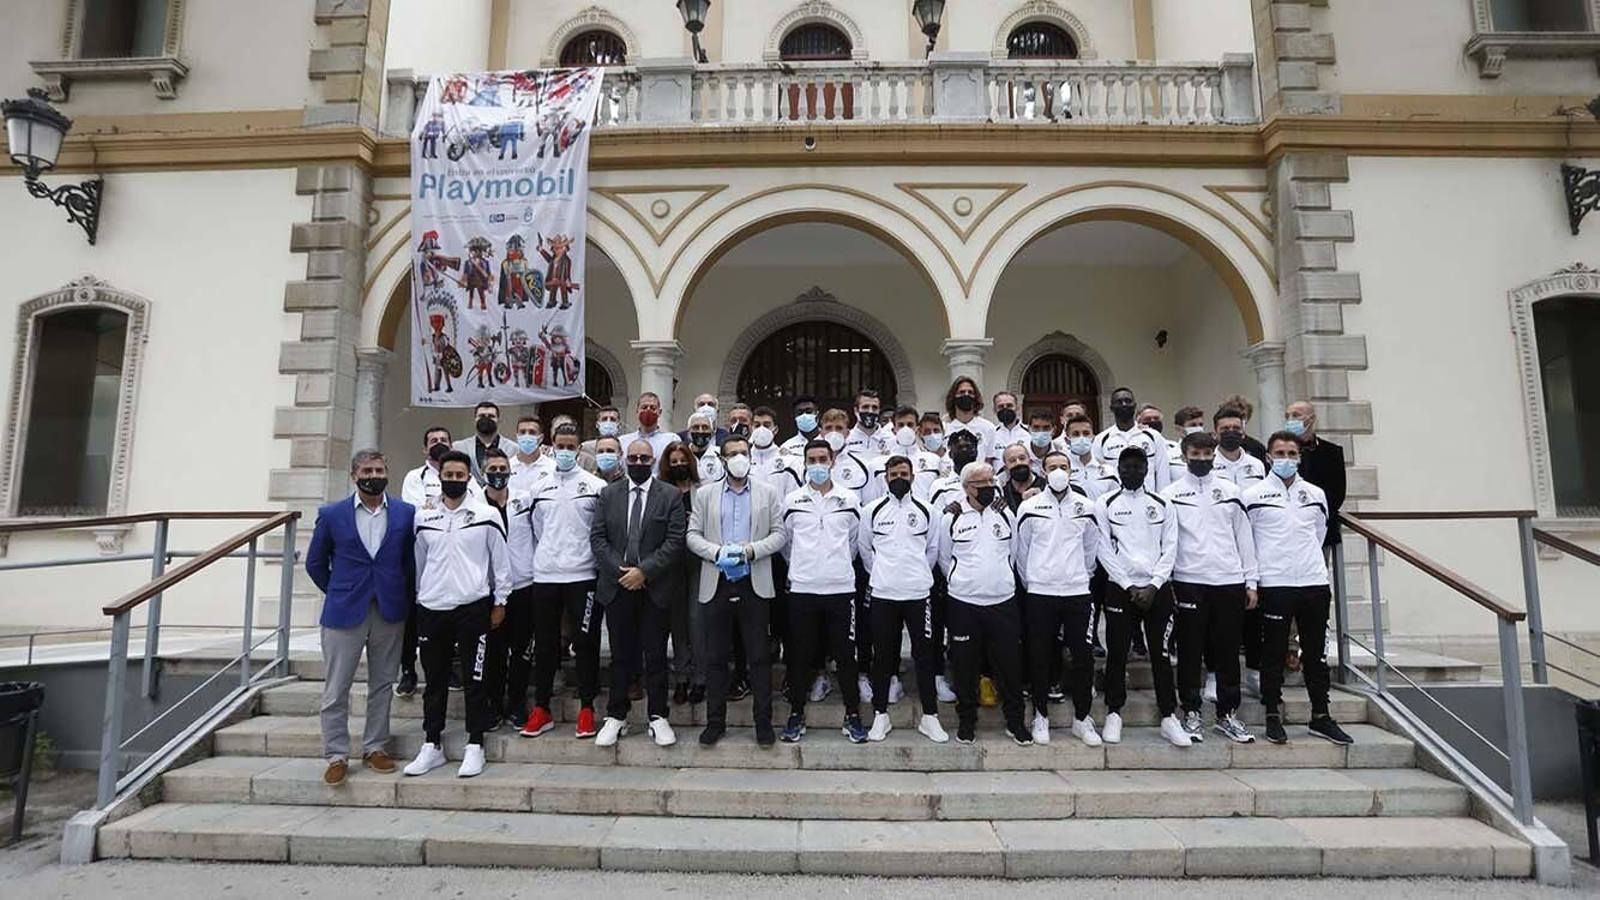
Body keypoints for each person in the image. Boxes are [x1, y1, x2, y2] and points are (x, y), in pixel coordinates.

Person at [305, 450, 415, 785]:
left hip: (389, 609)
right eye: (367, 471)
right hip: (344, 611)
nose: (374, 476)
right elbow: (315, 563)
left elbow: (409, 563)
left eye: (379, 470)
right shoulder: (332, 514)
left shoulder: (405, 513)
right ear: (354, 476)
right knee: (337, 687)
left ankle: (375, 747)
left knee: (383, 683)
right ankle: (336, 754)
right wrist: (339, 590)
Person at [403, 450, 509, 779]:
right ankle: (431, 744)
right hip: (432, 608)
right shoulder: (424, 518)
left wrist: (500, 601)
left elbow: (501, 563)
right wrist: (420, 598)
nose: (453, 480)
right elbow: (419, 563)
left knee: (475, 680)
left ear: (469, 478)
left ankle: (475, 744)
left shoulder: (487, 515)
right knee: (434, 681)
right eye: (448, 475)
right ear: (440, 478)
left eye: (459, 476)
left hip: (472, 606)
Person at [1245, 431, 1354, 747]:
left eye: (1292, 454)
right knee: (1273, 653)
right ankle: (1272, 714)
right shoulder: (1253, 495)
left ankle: (1321, 715)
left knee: (1316, 654)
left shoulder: (1315, 494)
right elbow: (1246, 542)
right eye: (1280, 454)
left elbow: (1318, 534)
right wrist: (1253, 582)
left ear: (1299, 457)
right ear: (1268, 457)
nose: (1286, 459)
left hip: (1313, 582)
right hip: (1274, 583)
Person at [688, 433, 789, 746]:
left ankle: (763, 723)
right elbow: (692, 535)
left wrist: (751, 550)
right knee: (716, 657)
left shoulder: (767, 493)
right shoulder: (705, 494)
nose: (738, 458)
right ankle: (715, 722)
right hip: (716, 581)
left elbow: (780, 534)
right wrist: (716, 552)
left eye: (743, 452)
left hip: (753, 582)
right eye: (732, 454)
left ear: (751, 455)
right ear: (722, 459)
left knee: (759, 656)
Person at [590, 437, 688, 747]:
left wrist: (644, 571)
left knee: (656, 656)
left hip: (655, 588)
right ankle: (616, 715)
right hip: (618, 586)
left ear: (653, 461)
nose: (638, 463)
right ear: (624, 459)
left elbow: (675, 540)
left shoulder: (670, 495)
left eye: (644, 459)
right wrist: (622, 572)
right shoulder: (608, 494)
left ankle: (658, 716)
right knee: (620, 656)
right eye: (632, 458)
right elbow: (598, 538)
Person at [1163, 431, 1258, 745]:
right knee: (1190, 650)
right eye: (1195, 454)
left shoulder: (1231, 491)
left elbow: (1244, 537)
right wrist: (1169, 582)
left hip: (1229, 580)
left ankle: (1227, 714)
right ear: (1184, 456)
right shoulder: (1170, 494)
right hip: (1189, 581)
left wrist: (1251, 581)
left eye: (1207, 454)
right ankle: (1191, 711)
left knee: (1228, 650)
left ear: (1214, 455)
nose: (1202, 459)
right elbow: (1168, 541)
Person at [518, 424, 608, 740]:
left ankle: (587, 707)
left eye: (572, 446)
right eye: (561, 446)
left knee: (585, 643)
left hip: (583, 576)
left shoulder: (595, 486)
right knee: (545, 644)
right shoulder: (538, 488)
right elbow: (537, 529)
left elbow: (599, 530)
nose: (566, 451)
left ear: (579, 448)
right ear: (552, 446)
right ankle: (542, 708)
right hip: (546, 575)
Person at [1097, 447, 1191, 748]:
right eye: (1126, 467)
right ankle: (1114, 712)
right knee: (1117, 653)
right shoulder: (1105, 503)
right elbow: (1103, 549)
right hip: (1120, 589)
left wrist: (1154, 584)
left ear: (1147, 470)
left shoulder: (1162, 503)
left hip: (1156, 590)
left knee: (1161, 655)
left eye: (1138, 467)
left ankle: (1168, 716)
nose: (1132, 472)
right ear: (1118, 470)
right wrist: (1128, 586)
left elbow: (1171, 546)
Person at [780, 438, 869, 744]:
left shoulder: (849, 499)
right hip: (803, 589)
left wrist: (835, 566)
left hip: (840, 589)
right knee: (800, 654)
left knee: (845, 655)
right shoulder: (792, 500)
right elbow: (787, 545)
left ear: (832, 461)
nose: (817, 464)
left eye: (822, 459)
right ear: (805, 463)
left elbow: (854, 543)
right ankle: (796, 713)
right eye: (812, 459)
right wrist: (802, 568)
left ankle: (853, 714)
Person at [939, 461, 1030, 746]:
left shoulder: (1005, 514)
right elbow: (944, 558)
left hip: (1002, 601)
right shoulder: (951, 517)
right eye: (982, 484)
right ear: (967, 487)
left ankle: (1015, 722)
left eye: (992, 482)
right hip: (963, 602)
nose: (990, 487)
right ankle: (967, 721)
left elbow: (1014, 552)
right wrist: (963, 581)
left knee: (1009, 664)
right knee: (964, 665)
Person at [858, 454, 948, 743]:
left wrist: (915, 573)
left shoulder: (928, 511)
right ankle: (880, 715)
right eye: (894, 475)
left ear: (913, 477)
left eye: (904, 474)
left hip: (918, 594)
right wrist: (883, 574)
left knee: (925, 656)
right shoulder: (871, 510)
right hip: (883, 594)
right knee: (883, 656)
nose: (899, 479)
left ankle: (930, 717)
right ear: (886, 478)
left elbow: (932, 550)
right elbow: (865, 549)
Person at [1014, 450, 1101, 747]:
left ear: (1071, 470)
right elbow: (1022, 552)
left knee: (1082, 656)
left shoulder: (1087, 507)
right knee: (1040, 656)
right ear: (1043, 471)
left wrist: (1080, 576)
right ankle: (1040, 715)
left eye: (1063, 466)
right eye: (1052, 467)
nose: (1058, 471)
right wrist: (1035, 580)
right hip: (1041, 592)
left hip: (1077, 592)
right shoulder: (1029, 507)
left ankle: (1082, 718)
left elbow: (1090, 549)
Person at [398, 425, 480, 697]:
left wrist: (439, 504)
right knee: (415, 617)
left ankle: (451, 670)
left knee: (452, 617)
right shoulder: (415, 477)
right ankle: (408, 671)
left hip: (457, 556)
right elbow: (416, 511)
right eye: (433, 440)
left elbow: (475, 504)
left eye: (444, 439)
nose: (439, 443)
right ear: (425, 449)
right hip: (423, 554)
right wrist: (441, 503)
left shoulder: (467, 475)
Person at [479, 448, 537, 731]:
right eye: (493, 469)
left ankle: (517, 704)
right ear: (483, 473)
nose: (498, 474)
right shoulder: (475, 505)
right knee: (494, 651)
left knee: (522, 650)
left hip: (523, 585)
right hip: (488, 590)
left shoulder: (524, 501)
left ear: (510, 471)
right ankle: (492, 703)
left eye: (503, 469)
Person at [660, 441, 712, 706]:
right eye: (674, 462)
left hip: (699, 562)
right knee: (677, 623)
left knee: (697, 620)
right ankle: (681, 677)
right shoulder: (661, 491)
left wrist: (694, 521)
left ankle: (701, 678)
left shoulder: (704, 490)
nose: (679, 465)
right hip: (672, 564)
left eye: (683, 460)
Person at [1286, 401, 1346, 552]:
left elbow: (1337, 493)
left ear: (1311, 419)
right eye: (1287, 416)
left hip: (1321, 529)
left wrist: (1314, 513)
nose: (1290, 420)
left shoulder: (1332, 452)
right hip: (1288, 530)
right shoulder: (1280, 452)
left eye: (1296, 415)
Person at [1092, 388, 1169, 494]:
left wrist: (1162, 499)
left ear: (1134, 405)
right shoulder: (1101, 440)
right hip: (1116, 501)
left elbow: (1162, 472)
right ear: (1111, 408)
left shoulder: (1153, 436)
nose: (1124, 404)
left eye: (1128, 401)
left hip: (1148, 499)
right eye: (1119, 402)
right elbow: (1099, 476)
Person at [453, 401, 518, 481]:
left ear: (498, 420)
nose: (486, 419)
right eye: (482, 416)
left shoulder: (513, 448)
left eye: (491, 416)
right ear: (475, 420)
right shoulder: (458, 447)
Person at [944, 377, 997, 470]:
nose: (966, 395)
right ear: (953, 397)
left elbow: (989, 460)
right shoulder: (944, 427)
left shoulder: (988, 427)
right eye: (962, 392)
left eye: (970, 392)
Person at [1213, 406, 1266, 488]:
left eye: (1236, 428)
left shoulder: (1257, 465)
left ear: (1243, 433)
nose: (1231, 432)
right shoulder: (1208, 465)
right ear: (1215, 434)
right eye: (1225, 429)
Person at [620, 392, 676, 461]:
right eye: (644, 407)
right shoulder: (623, 441)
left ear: (660, 412)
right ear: (637, 411)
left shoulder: (671, 440)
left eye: (653, 408)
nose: (648, 410)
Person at [1221, 393, 1269, 463]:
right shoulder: (1216, 445)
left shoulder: (1257, 447)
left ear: (1248, 417)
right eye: (1235, 415)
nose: (1239, 419)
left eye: (1243, 416)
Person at [509, 416, 554, 488]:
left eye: (532, 432)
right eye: (522, 432)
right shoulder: (508, 467)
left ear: (541, 438)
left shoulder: (552, 468)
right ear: (517, 437)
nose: (526, 436)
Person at [1000, 443, 1043, 510]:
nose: (1018, 463)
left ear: (1031, 462)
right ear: (1006, 468)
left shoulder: (1045, 487)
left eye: (1022, 458)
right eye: (1012, 460)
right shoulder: (1003, 494)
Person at [1170, 406, 1206, 484]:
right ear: (1178, 429)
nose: (1198, 428)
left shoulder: (1211, 453)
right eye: (1193, 425)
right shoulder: (1169, 455)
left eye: (1201, 424)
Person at [846, 389, 888, 457]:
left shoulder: (890, 438)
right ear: (856, 411)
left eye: (875, 407)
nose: (870, 411)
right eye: (865, 407)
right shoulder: (846, 439)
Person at [687, 412, 725, 483]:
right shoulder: (683, 455)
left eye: (705, 427)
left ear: (712, 432)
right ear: (688, 432)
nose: (700, 431)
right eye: (696, 427)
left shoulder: (721, 453)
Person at [992, 391, 1028, 456]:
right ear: (994, 410)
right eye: (1001, 406)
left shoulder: (1030, 432)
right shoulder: (991, 434)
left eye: (1009, 406)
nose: (1005, 408)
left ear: (1017, 408)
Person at [1022, 410, 1056, 477]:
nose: (1041, 432)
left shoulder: (1061, 452)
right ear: (1029, 429)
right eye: (1036, 427)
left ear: (1054, 430)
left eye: (1046, 428)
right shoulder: (1020, 452)